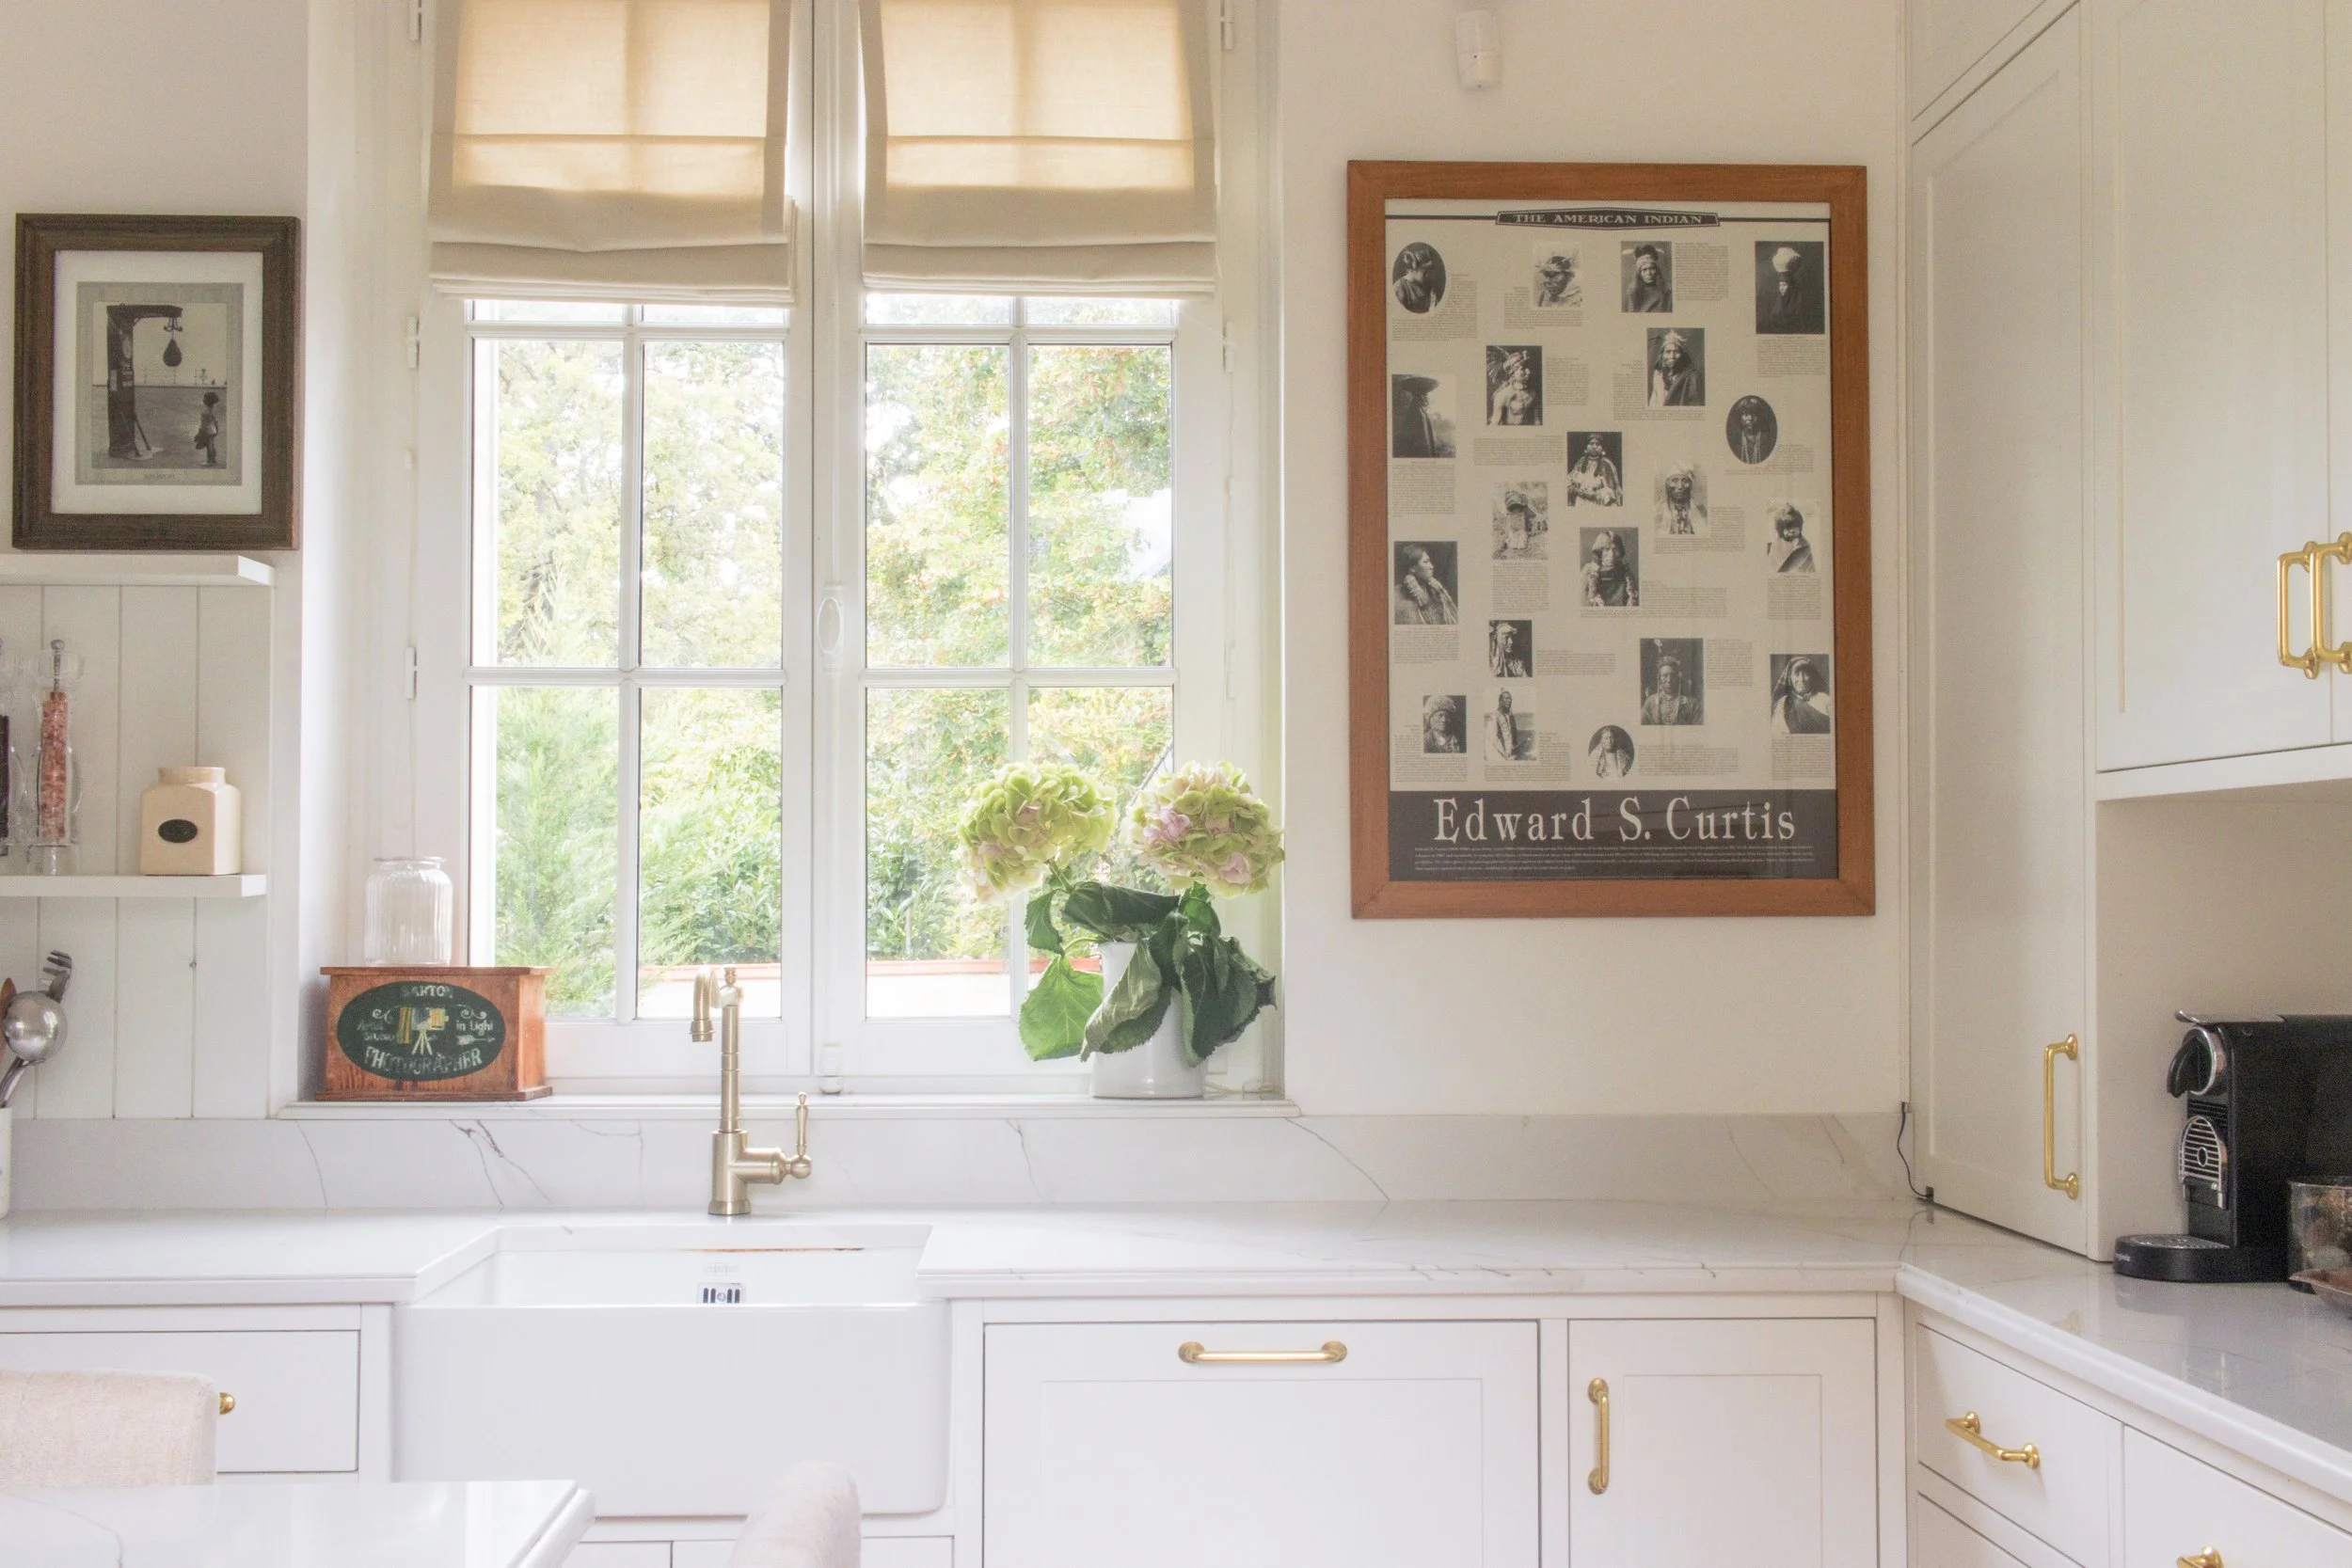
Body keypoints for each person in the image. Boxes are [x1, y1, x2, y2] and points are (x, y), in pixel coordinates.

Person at [1760, 244, 1820, 333]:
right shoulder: (1775, 303)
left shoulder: (1800, 304)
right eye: (1780, 285)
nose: (1781, 288)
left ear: (1791, 286)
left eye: (1784, 285)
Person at [1394, 546, 1458, 625]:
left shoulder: (1436, 592)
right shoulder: (1397, 597)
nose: (1431, 567)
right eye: (1426, 562)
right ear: (1412, 568)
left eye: (1429, 562)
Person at [1393, 374, 1451, 458]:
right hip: (1417, 451)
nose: (1427, 400)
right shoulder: (1416, 411)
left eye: (1426, 397)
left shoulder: (1421, 411)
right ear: (1419, 397)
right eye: (1425, 397)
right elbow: (1415, 435)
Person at [1773, 657, 1833, 735]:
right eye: (1796, 674)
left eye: (1806, 674)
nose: (1801, 679)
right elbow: (1778, 734)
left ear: (1812, 677)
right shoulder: (1783, 703)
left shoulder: (1826, 700)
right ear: (1789, 678)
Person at [1581, 530, 1638, 608]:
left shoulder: (1625, 572)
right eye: (1606, 549)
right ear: (1599, 552)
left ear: (1620, 552)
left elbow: (1634, 597)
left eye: (1615, 550)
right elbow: (1581, 600)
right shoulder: (1588, 571)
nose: (1611, 555)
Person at [1643, 650, 1700, 725]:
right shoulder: (1650, 702)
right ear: (1659, 678)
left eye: (1673, 675)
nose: (1669, 680)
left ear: (1678, 678)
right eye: (1665, 676)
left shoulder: (1692, 704)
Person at [1648, 329, 1702, 408]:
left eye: (1676, 352)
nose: (1672, 356)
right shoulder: (1658, 376)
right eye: (1668, 352)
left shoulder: (1692, 377)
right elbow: (1653, 404)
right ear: (1662, 355)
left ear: (1683, 354)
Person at [1565, 435, 1622, 507]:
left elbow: (1612, 491)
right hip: (1580, 502)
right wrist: (1577, 491)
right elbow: (1568, 482)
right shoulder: (1581, 462)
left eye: (1597, 444)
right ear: (1586, 446)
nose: (1594, 446)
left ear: (1602, 447)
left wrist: (1594, 495)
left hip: (1598, 503)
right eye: (1591, 443)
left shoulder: (1607, 464)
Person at [1487, 349, 1538, 426]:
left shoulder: (1533, 393)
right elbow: (1495, 423)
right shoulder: (1503, 395)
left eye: (1527, 368)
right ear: (1513, 373)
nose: (1528, 372)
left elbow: (1537, 421)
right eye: (1523, 369)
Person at [1393, 243, 1445, 313]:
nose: (1428, 275)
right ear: (1413, 270)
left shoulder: (1427, 284)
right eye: (1425, 272)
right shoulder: (1400, 287)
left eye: (1429, 272)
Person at [1764, 503, 1815, 573]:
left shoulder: (1804, 547)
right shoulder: (1775, 546)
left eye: (1796, 527)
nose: (1792, 531)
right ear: (1780, 529)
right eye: (1788, 528)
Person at [1656, 466, 1704, 534]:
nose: (1680, 486)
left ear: (1690, 486)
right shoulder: (1658, 510)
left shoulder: (1701, 510)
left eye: (1685, 481)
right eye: (1675, 481)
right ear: (1667, 485)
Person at [1728, 396, 1775, 465]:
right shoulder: (1735, 441)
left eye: (1754, 414)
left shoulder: (1767, 440)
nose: (1750, 418)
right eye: (1746, 414)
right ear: (1740, 418)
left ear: (1760, 417)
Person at [1494, 492, 1542, 559]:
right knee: (1513, 541)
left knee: (1521, 542)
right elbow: (1509, 528)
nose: (1516, 511)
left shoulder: (1523, 514)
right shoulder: (1510, 516)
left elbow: (1523, 527)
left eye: (1517, 509)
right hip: (1514, 532)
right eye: (1514, 509)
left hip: (1521, 531)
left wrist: (1522, 530)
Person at [1626, 244, 1670, 312]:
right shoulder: (1633, 292)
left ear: (1657, 270)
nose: (1649, 273)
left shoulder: (1667, 290)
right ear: (1639, 273)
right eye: (1644, 270)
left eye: (1652, 268)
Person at [1486, 690, 1523, 762]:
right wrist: (1504, 755)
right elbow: (1493, 739)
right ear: (1500, 701)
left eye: (1510, 699)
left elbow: (1513, 737)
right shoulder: (1494, 716)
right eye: (1506, 698)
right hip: (1500, 756)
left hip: (1511, 756)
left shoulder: (1510, 716)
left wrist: (1514, 750)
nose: (1509, 701)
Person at [194, 390, 224, 468]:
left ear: (207, 401)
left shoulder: (205, 412)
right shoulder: (213, 411)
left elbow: (203, 424)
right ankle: (213, 460)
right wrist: (217, 430)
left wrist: (200, 432)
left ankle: (210, 461)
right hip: (213, 430)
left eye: (204, 399)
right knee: (211, 445)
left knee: (209, 446)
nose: (203, 400)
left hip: (207, 431)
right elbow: (216, 422)